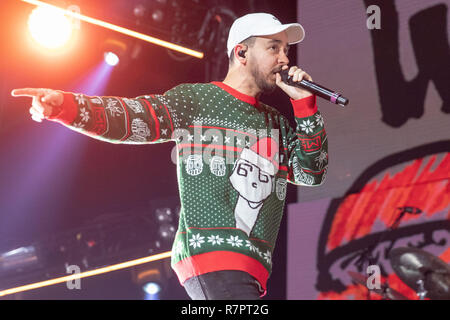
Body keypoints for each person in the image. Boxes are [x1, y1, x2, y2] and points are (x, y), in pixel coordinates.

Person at [11, 12, 328, 300]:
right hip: (214, 256)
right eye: (274, 48)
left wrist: (306, 105)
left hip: (252, 269)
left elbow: (311, 172)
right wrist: (67, 106)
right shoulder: (197, 100)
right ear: (242, 52)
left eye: (286, 50)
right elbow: (135, 118)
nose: (285, 59)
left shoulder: (276, 123)